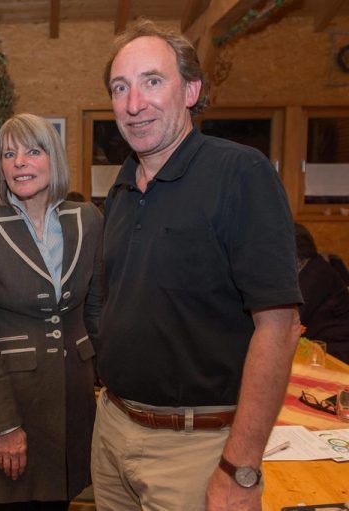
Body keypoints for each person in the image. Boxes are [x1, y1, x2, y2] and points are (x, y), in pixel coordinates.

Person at [93, 19, 303, 511]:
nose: (133, 103)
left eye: (152, 81)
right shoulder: (121, 188)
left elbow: (279, 327)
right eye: (120, 87)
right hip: (113, 433)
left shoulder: (240, 173)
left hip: (196, 451)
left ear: (191, 90)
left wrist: (240, 469)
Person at [0, 113, 102, 510]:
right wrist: (3, 425)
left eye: (33, 151)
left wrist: (111, 387)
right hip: (13, 402)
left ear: (54, 158)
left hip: (73, 401)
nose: (19, 162)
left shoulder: (88, 219)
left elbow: (96, 311)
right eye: (9, 154)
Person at [295, 223, 349, 363]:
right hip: (318, 349)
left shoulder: (316, 273)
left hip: (336, 354)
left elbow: (292, 317)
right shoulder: (311, 267)